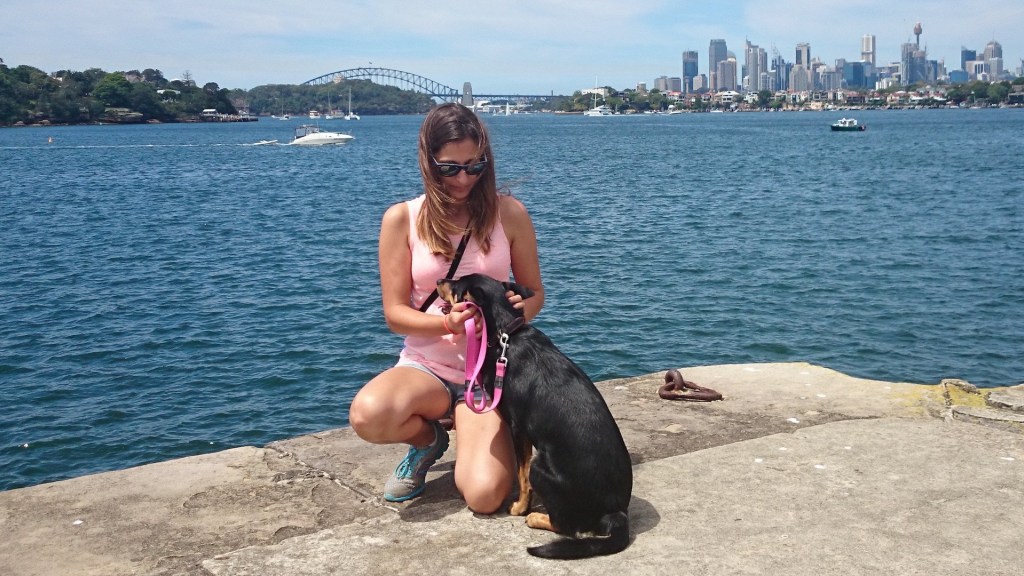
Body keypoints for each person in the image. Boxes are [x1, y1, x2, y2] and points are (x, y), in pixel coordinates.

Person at [349, 103, 544, 514]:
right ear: (428, 161)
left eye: (475, 166)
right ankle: (427, 442)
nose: (464, 178)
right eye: (450, 167)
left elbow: (535, 294)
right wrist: (446, 324)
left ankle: (496, 428)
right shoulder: (401, 219)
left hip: (490, 375)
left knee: (486, 496)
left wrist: (517, 308)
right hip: (428, 367)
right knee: (369, 414)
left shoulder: (510, 213)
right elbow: (394, 313)